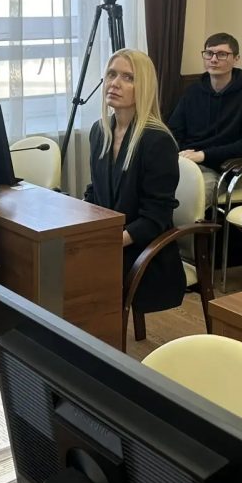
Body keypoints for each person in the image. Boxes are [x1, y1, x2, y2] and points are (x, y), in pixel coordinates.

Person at [84, 48, 184, 317]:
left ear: (144, 87)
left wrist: (109, 242)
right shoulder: (99, 131)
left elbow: (156, 217)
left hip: (143, 251)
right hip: (111, 240)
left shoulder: (157, 141)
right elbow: (96, 193)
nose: (115, 83)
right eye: (111, 74)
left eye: (128, 77)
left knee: (73, 277)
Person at [167, 32, 242, 201]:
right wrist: (183, 152)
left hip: (220, 171)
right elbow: (173, 130)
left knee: (187, 198)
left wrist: (204, 155)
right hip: (184, 162)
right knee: (148, 186)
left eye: (221, 54)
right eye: (209, 53)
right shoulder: (193, 90)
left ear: (236, 59)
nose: (213, 59)